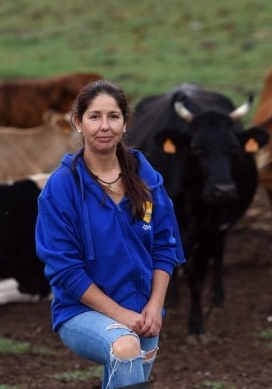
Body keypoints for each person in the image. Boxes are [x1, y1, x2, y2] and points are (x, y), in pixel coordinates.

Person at [35, 79, 185, 389]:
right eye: (94, 116)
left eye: (113, 117)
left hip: (143, 313)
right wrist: (121, 316)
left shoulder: (146, 177)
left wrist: (155, 307)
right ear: (78, 122)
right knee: (125, 347)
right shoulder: (62, 188)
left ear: (125, 123)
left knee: (125, 379)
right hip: (81, 312)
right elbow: (66, 271)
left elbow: (164, 247)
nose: (105, 126)